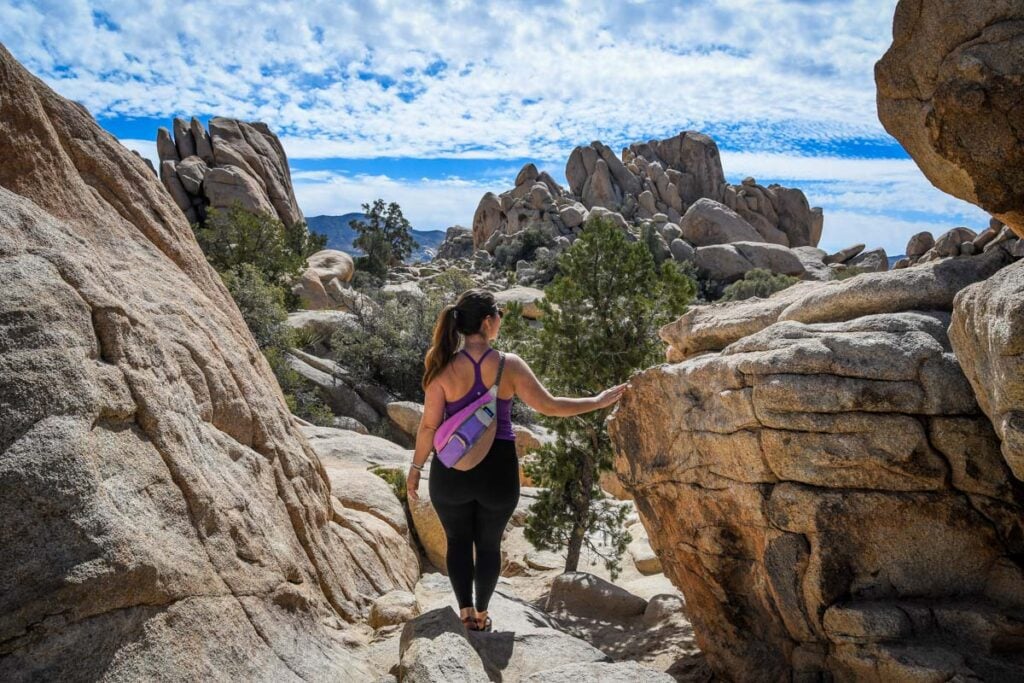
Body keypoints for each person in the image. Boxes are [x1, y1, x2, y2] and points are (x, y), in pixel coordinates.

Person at [406, 288, 627, 632]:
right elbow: (550, 406)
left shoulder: (442, 366)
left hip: (450, 471)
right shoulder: (508, 365)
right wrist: (597, 401)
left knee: (458, 541)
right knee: (489, 544)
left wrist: (416, 469)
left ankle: (464, 612)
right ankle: (481, 613)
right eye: (499, 315)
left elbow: (428, 427)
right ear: (487, 321)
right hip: (498, 471)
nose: (500, 321)